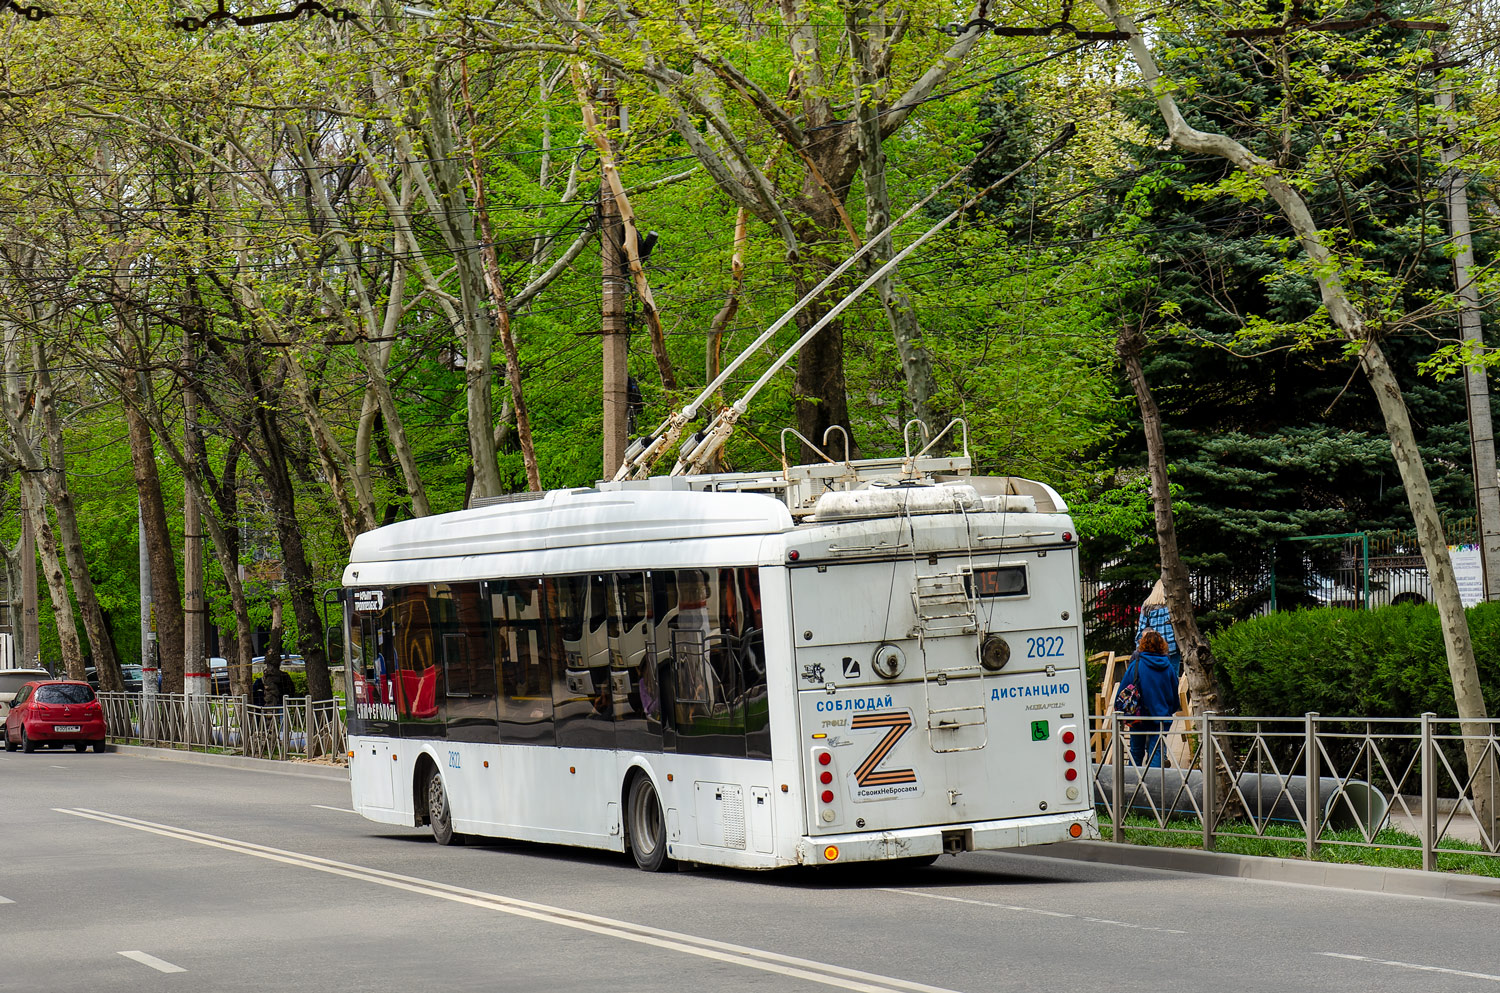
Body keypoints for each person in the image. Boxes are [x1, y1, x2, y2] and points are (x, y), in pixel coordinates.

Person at [1124, 629, 1179, 767]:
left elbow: (1123, 689)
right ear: (1162, 645)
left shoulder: (1136, 664)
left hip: (1138, 716)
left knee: (1136, 752)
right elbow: (1174, 692)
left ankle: (1133, 786)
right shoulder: (1168, 667)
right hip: (1161, 716)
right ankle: (1154, 787)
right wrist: (1169, 710)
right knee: (1157, 752)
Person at [1135, 578, 1184, 677]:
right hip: (1172, 649)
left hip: (1153, 650)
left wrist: (1139, 648)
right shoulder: (1173, 605)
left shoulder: (1147, 606)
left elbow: (1141, 630)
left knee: (1154, 677)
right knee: (1173, 678)